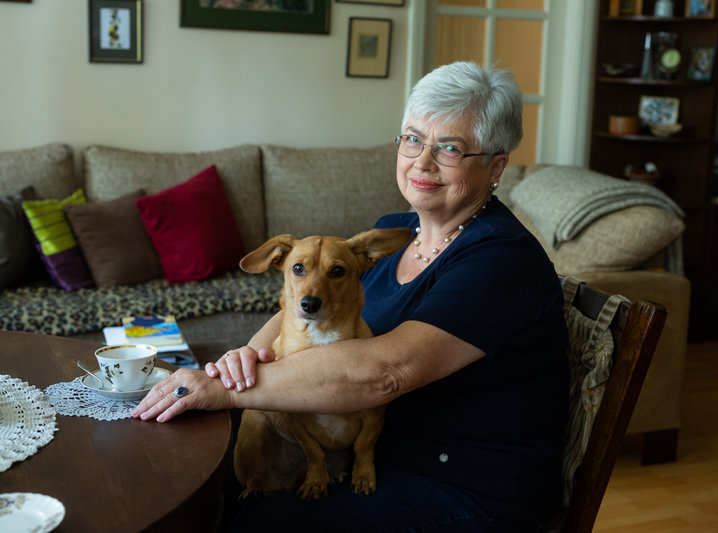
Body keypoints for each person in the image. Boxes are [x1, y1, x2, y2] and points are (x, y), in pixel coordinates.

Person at [132, 61, 568, 532]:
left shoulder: (500, 258)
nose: (422, 161)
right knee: (191, 470)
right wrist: (249, 358)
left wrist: (223, 391)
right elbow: (298, 308)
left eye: (450, 149)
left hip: (464, 490)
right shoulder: (392, 233)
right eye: (413, 138)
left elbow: (385, 374)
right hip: (374, 454)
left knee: (253, 523)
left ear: (496, 165)